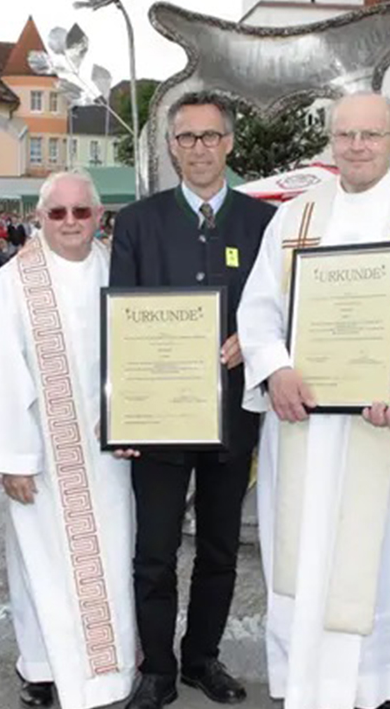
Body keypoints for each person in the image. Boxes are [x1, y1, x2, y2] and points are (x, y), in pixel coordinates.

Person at [238, 92, 390, 709]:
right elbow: (258, 307)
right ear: (332, 141)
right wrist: (276, 369)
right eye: (345, 134)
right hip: (308, 426)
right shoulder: (293, 219)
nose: (357, 146)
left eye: (371, 134)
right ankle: (311, 682)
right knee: (311, 556)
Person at [110, 91, 275, 709]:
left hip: (231, 416)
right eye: (187, 137)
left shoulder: (264, 223)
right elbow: (120, 323)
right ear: (171, 147)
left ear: (229, 143)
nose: (199, 148)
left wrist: (252, 340)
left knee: (219, 550)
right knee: (154, 552)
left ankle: (202, 657)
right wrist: (123, 414)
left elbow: (285, 309)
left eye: (210, 136)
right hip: (158, 419)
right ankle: (157, 668)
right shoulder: (137, 223)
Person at [0, 171, 136, 709]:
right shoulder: (14, 282)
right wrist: (12, 460)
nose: (70, 222)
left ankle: (112, 673)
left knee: (111, 561)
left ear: (98, 217)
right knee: (40, 567)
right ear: (39, 218)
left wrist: (136, 417)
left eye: (81, 212)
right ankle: (42, 670)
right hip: (42, 453)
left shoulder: (118, 268)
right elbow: (3, 374)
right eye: (57, 213)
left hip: (111, 455)